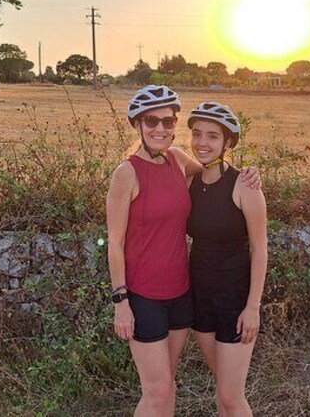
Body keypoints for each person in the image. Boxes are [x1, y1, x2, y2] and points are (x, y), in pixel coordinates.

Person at [106, 86, 259, 417]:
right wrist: (121, 301)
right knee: (157, 391)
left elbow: (212, 172)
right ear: (136, 125)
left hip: (181, 293)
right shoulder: (126, 173)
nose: (160, 128)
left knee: (168, 384)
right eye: (151, 121)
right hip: (144, 294)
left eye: (168, 121)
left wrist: (248, 172)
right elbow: (114, 242)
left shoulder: (177, 160)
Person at [186, 101, 268, 417]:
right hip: (200, 298)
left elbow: (260, 249)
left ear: (227, 142)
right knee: (222, 389)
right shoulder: (189, 180)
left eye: (213, 136)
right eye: (197, 134)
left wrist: (252, 308)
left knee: (232, 397)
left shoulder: (244, 186)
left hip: (235, 302)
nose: (202, 143)